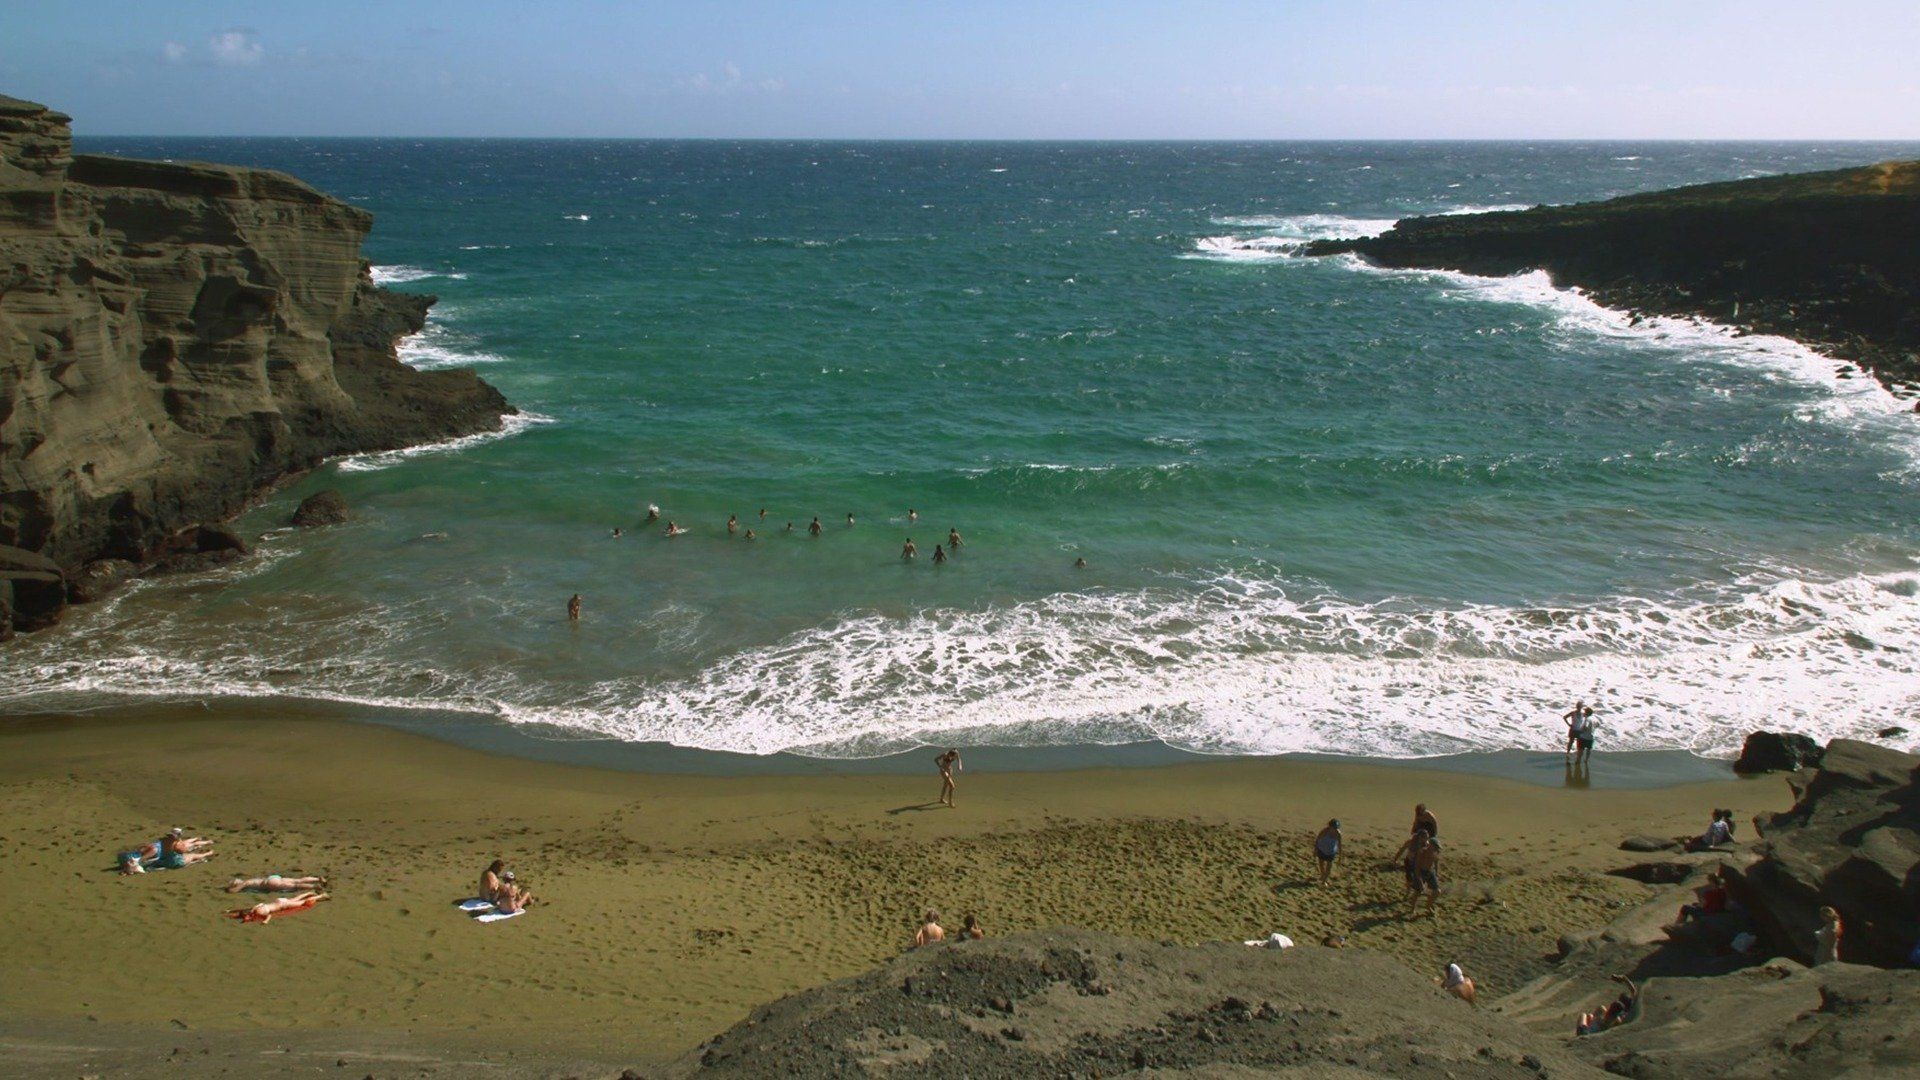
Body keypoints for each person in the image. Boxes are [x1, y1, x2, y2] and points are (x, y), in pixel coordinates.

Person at [1395, 831, 1440, 916]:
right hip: (1413, 865)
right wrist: (1396, 859)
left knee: (1436, 891)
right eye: (1424, 837)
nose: (1425, 839)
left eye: (1427, 837)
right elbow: (1403, 850)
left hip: (1427, 870)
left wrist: (1436, 873)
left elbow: (1436, 862)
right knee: (1414, 886)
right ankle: (1410, 901)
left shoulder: (1432, 850)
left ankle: (1428, 905)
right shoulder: (1414, 845)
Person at [226, 892, 328, 924]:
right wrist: (230, 911)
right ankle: (309, 892)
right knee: (295, 899)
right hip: (279, 901)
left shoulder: (258, 913)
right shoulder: (254, 909)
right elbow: (243, 909)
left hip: (283, 905)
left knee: (303, 903)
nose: (246, 919)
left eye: (245, 918)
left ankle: (321, 896)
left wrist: (265, 921)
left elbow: (269, 915)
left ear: (248, 916)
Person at [227, 874, 327, 893]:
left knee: (295, 886)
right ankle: (317, 879)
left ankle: (314, 886)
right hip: (273, 878)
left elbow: (234, 891)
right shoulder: (250, 880)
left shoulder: (246, 882)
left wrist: (229, 889)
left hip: (270, 883)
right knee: (297, 880)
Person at [1313, 819, 1342, 883]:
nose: (1335, 829)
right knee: (1321, 865)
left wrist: (1340, 856)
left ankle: (1324, 881)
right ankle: (1322, 875)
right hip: (1322, 849)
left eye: (1336, 828)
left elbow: (1339, 845)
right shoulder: (1324, 831)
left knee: (1329, 868)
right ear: (1330, 827)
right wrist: (1315, 850)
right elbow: (1317, 840)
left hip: (1331, 852)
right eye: (1333, 828)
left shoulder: (1338, 834)